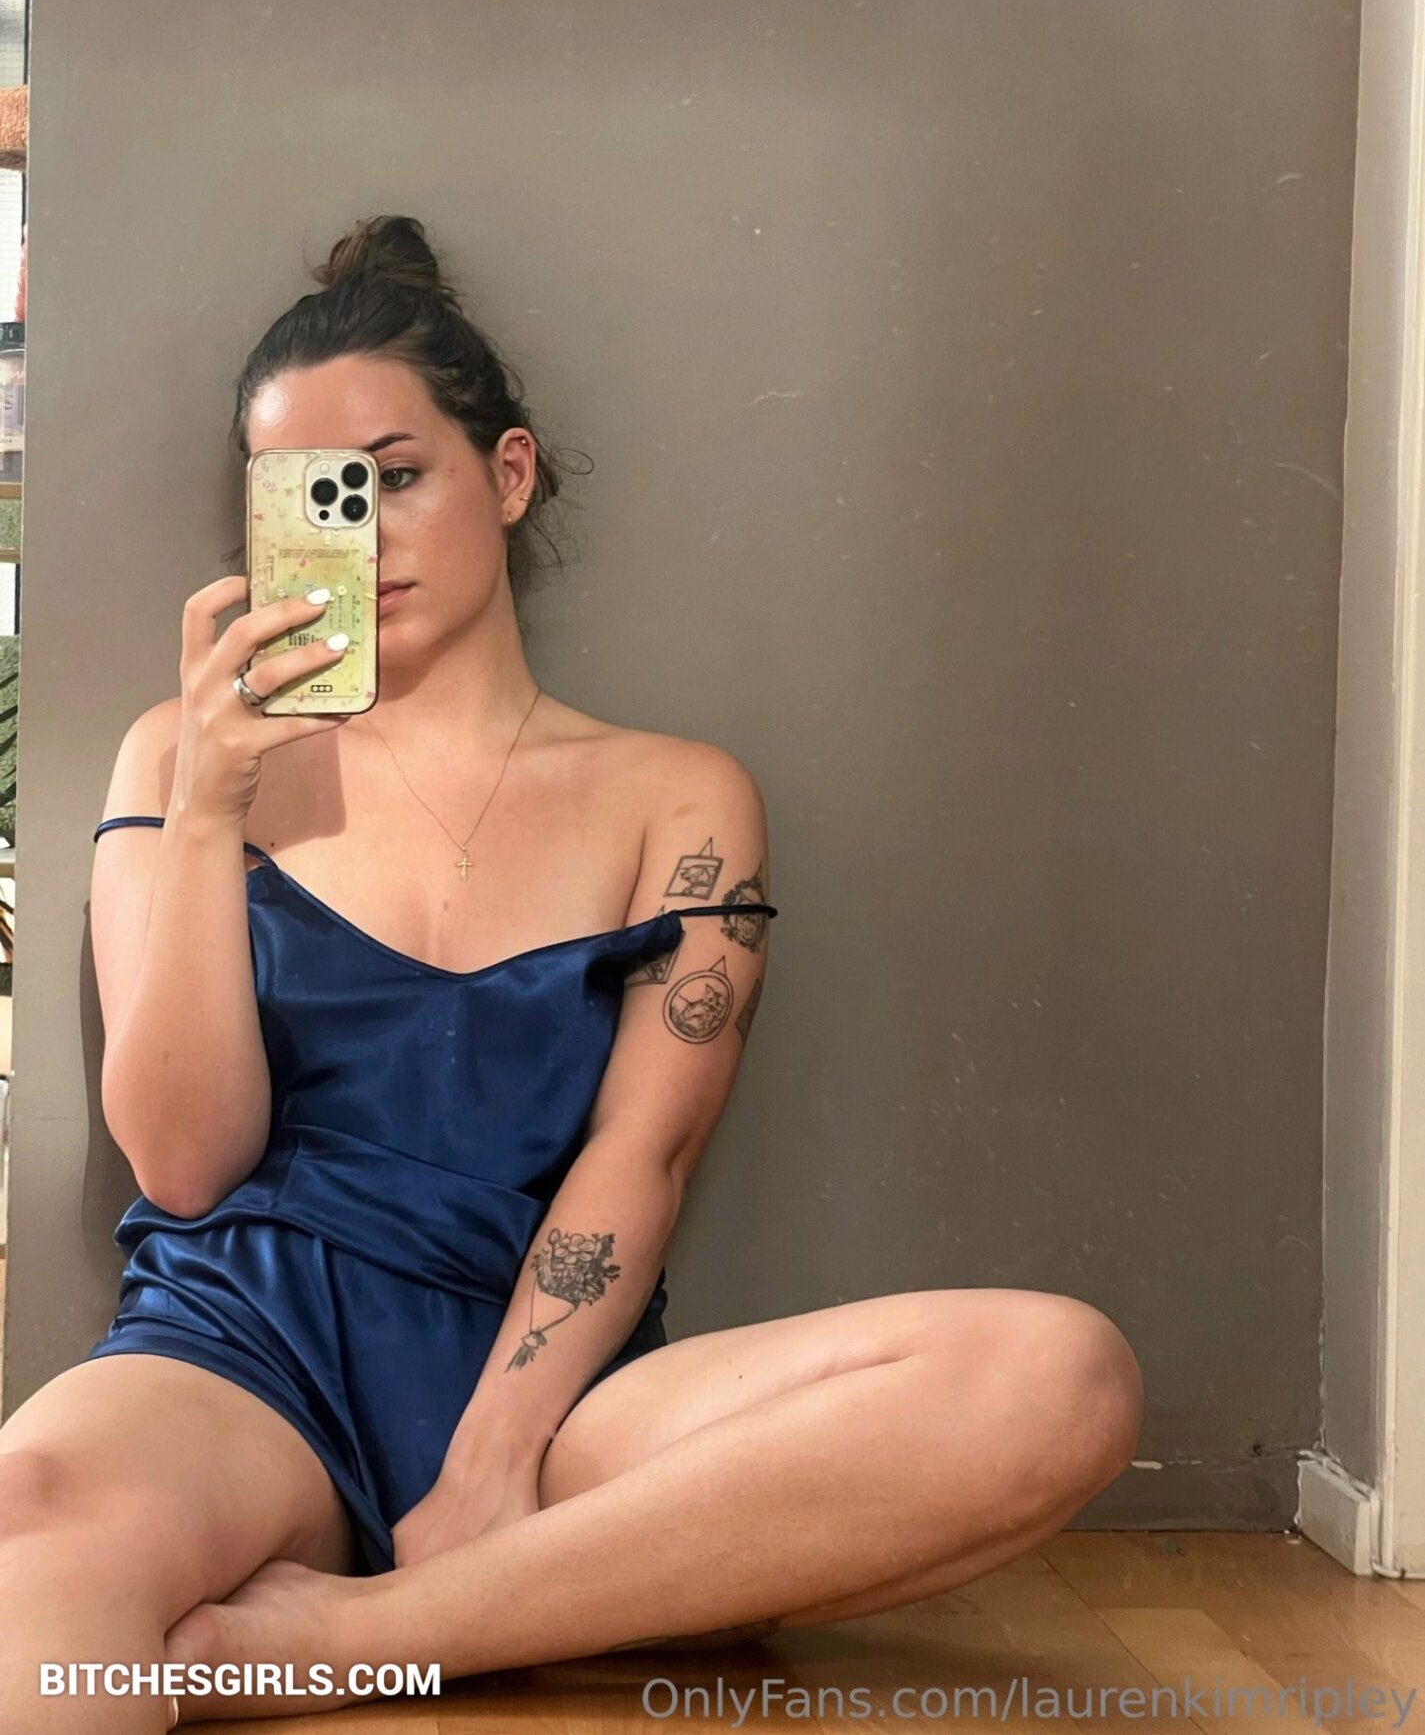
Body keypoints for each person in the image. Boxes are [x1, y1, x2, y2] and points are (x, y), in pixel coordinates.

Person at [0, 216, 1142, 1728]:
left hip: (553, 1385)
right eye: (312, 497)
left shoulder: (679, 798)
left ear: (510, 474)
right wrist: (209, 810)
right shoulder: (182, 758)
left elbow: (639, 1155)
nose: (363, 534)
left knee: (1057, 1376)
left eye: (396, 477)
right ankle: (478, 1617)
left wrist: (493, 1461)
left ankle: (363, 1639)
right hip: (239, 1349)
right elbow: (185, 1162)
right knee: (24, 1535)